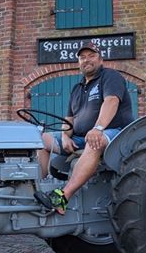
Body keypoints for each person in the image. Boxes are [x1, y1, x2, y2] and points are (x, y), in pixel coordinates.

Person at [35, 41, 133, 215]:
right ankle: (37, 190)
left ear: (101, 60)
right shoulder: (77, 88)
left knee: (94, 141)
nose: (86, 60)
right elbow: (69, 118)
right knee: (39, 139)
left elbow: (111, 102)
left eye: (91, 56)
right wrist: (65, 137)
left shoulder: (110, 76)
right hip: (79, 137)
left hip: (115, 132)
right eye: (82, 57)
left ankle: (63, 196)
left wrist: (98, 128)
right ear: (79, 62)